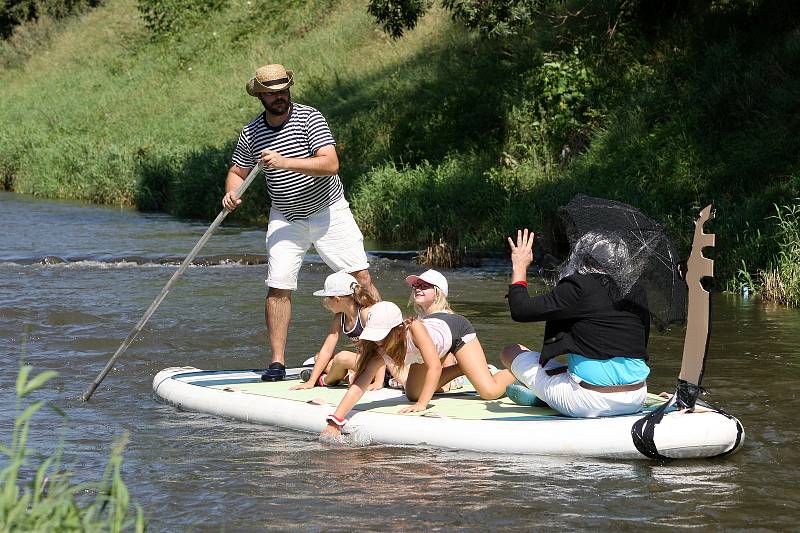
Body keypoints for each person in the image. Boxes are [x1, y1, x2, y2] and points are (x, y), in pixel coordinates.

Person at [221, 64, 379, 382]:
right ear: (261, 96)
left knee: (360, 277)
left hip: (328, 210)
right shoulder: (251, 132)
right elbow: (237, 172)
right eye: (272, 93)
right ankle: (277, 362)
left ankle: (384, 348)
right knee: (278, 285)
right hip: (286, 216)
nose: (279, 97)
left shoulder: (309, 118)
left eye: (283, 91)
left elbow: (331, 164)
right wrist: (230, 193)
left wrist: (283, 161)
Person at [500, 229, 651, 418]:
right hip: (636, 397)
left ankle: (546, 397)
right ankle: (548, 395)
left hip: (587, 401)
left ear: (583, 258)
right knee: (571, 367)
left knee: (511, 351)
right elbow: (639, 343)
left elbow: (520, 310)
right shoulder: (636, 290)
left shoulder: (578, 286)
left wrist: (520, 266)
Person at [404, 269, 516, 399]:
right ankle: (462, 367)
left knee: (490, 392)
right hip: (440, 340)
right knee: (414, 394)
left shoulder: (450, 320)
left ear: (438, 292)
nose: (418, 289)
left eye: (424, 286)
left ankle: (518, 372)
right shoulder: (418, 321)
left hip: (460, 333)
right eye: (416, 286)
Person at [290, 271, 382, 390]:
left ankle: (325, 380)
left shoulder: (365, 313)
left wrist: (379, 383)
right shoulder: (340, 317)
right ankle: (351, 377)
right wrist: (310, 382)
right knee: (319, 357)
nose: (324, 303)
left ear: (337, 299)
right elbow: (327, 350)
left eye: (326, 298)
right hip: (364, 362)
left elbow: (381, 349)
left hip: (382, 365)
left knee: (342, 357)